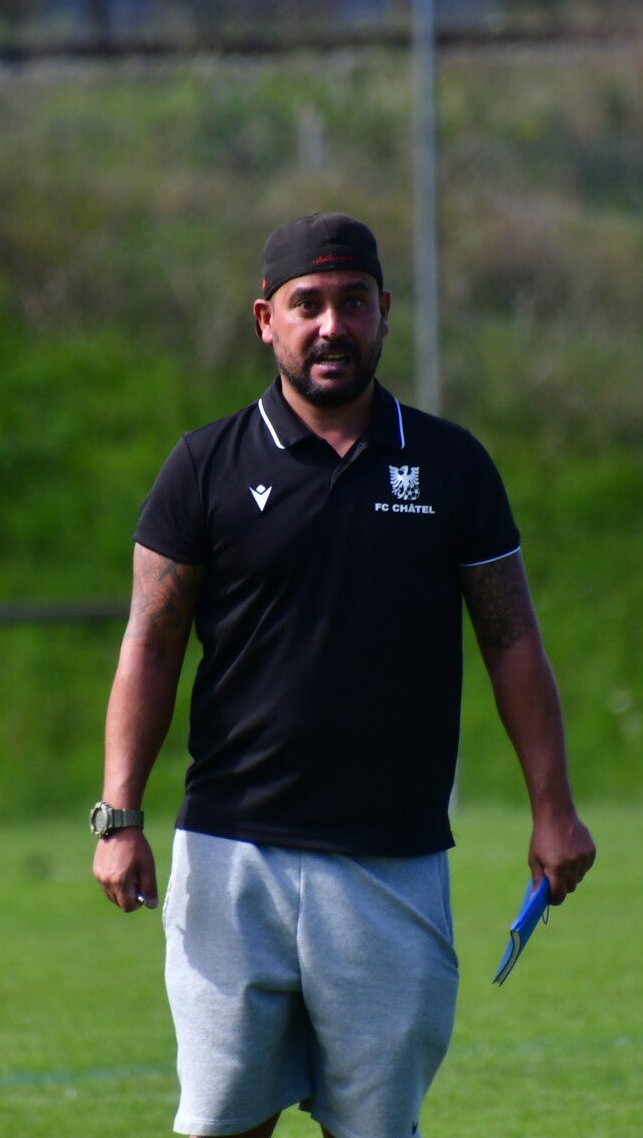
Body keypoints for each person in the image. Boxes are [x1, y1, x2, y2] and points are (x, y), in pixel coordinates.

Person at [91, 212, 596, 1138]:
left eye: (353, 303)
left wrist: (553, 808)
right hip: (232, 856)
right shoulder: (203, 466)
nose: (333, 326)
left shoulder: (452, 465)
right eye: (308, 304)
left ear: (385, 313)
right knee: (221, 1125)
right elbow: (151, 642)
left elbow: (512, 640)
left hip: (391, 862)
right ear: (265, 320)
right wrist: (119, 815)